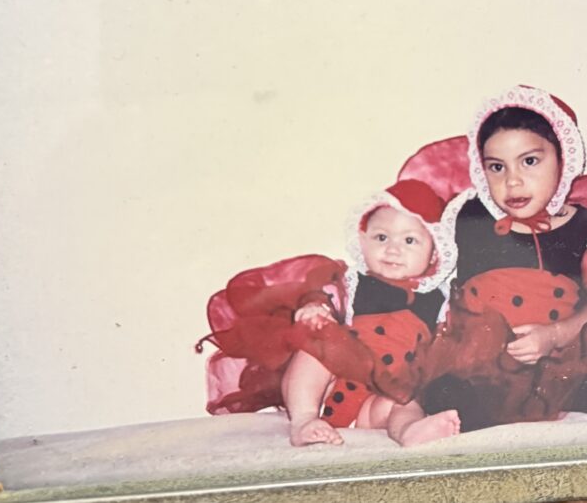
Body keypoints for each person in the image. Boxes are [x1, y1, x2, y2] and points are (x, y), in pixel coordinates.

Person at [418, 85, 587, 432]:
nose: (513, 181)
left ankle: (552, 393)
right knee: (442, 395)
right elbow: (418, 271)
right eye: (496, 167)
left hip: (559, 353)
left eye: (530, 161)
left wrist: (554, 336)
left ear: (562, 159)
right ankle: (510, 400)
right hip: (486, 362)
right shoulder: (467, 218)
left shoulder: (585, 224)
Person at [197, 179, 462, 447]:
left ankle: (408, 431)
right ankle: (304, 419)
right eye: (381, 237)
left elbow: (452, 338)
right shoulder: (351, 283)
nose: (393, 249)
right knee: (316, 344)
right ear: (363, 240)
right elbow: (323, 295)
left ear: (434, 253)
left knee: (404, 403)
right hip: (333, 387)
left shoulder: (440, 298)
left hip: (377, 401)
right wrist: (315, 307)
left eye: (409, 240)